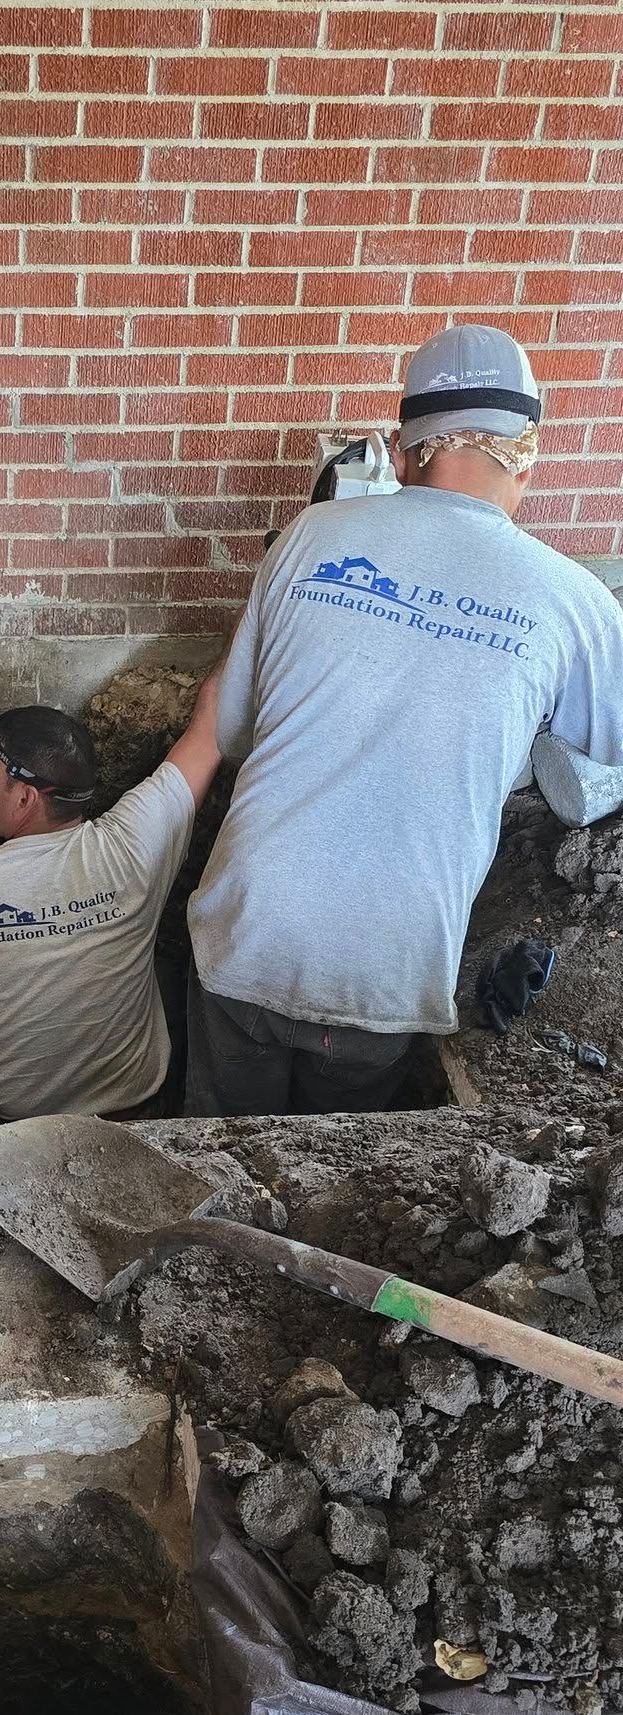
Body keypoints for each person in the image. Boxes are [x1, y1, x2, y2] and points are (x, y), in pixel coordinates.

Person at [186, 322, 623, 1119]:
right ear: (526, 449)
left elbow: (238, 728)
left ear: (404, 445)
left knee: (215, 1151)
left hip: (245, 931)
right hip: (383, 967)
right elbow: (594, 777)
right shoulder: (578, 605)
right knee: (338, 1174)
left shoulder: (311, 535)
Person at [0, 679, 222, 1121]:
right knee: (168, 968)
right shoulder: (136, 845)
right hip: (137, 1110)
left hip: (9, 1123)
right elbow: (208, 731)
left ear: (24, 797)